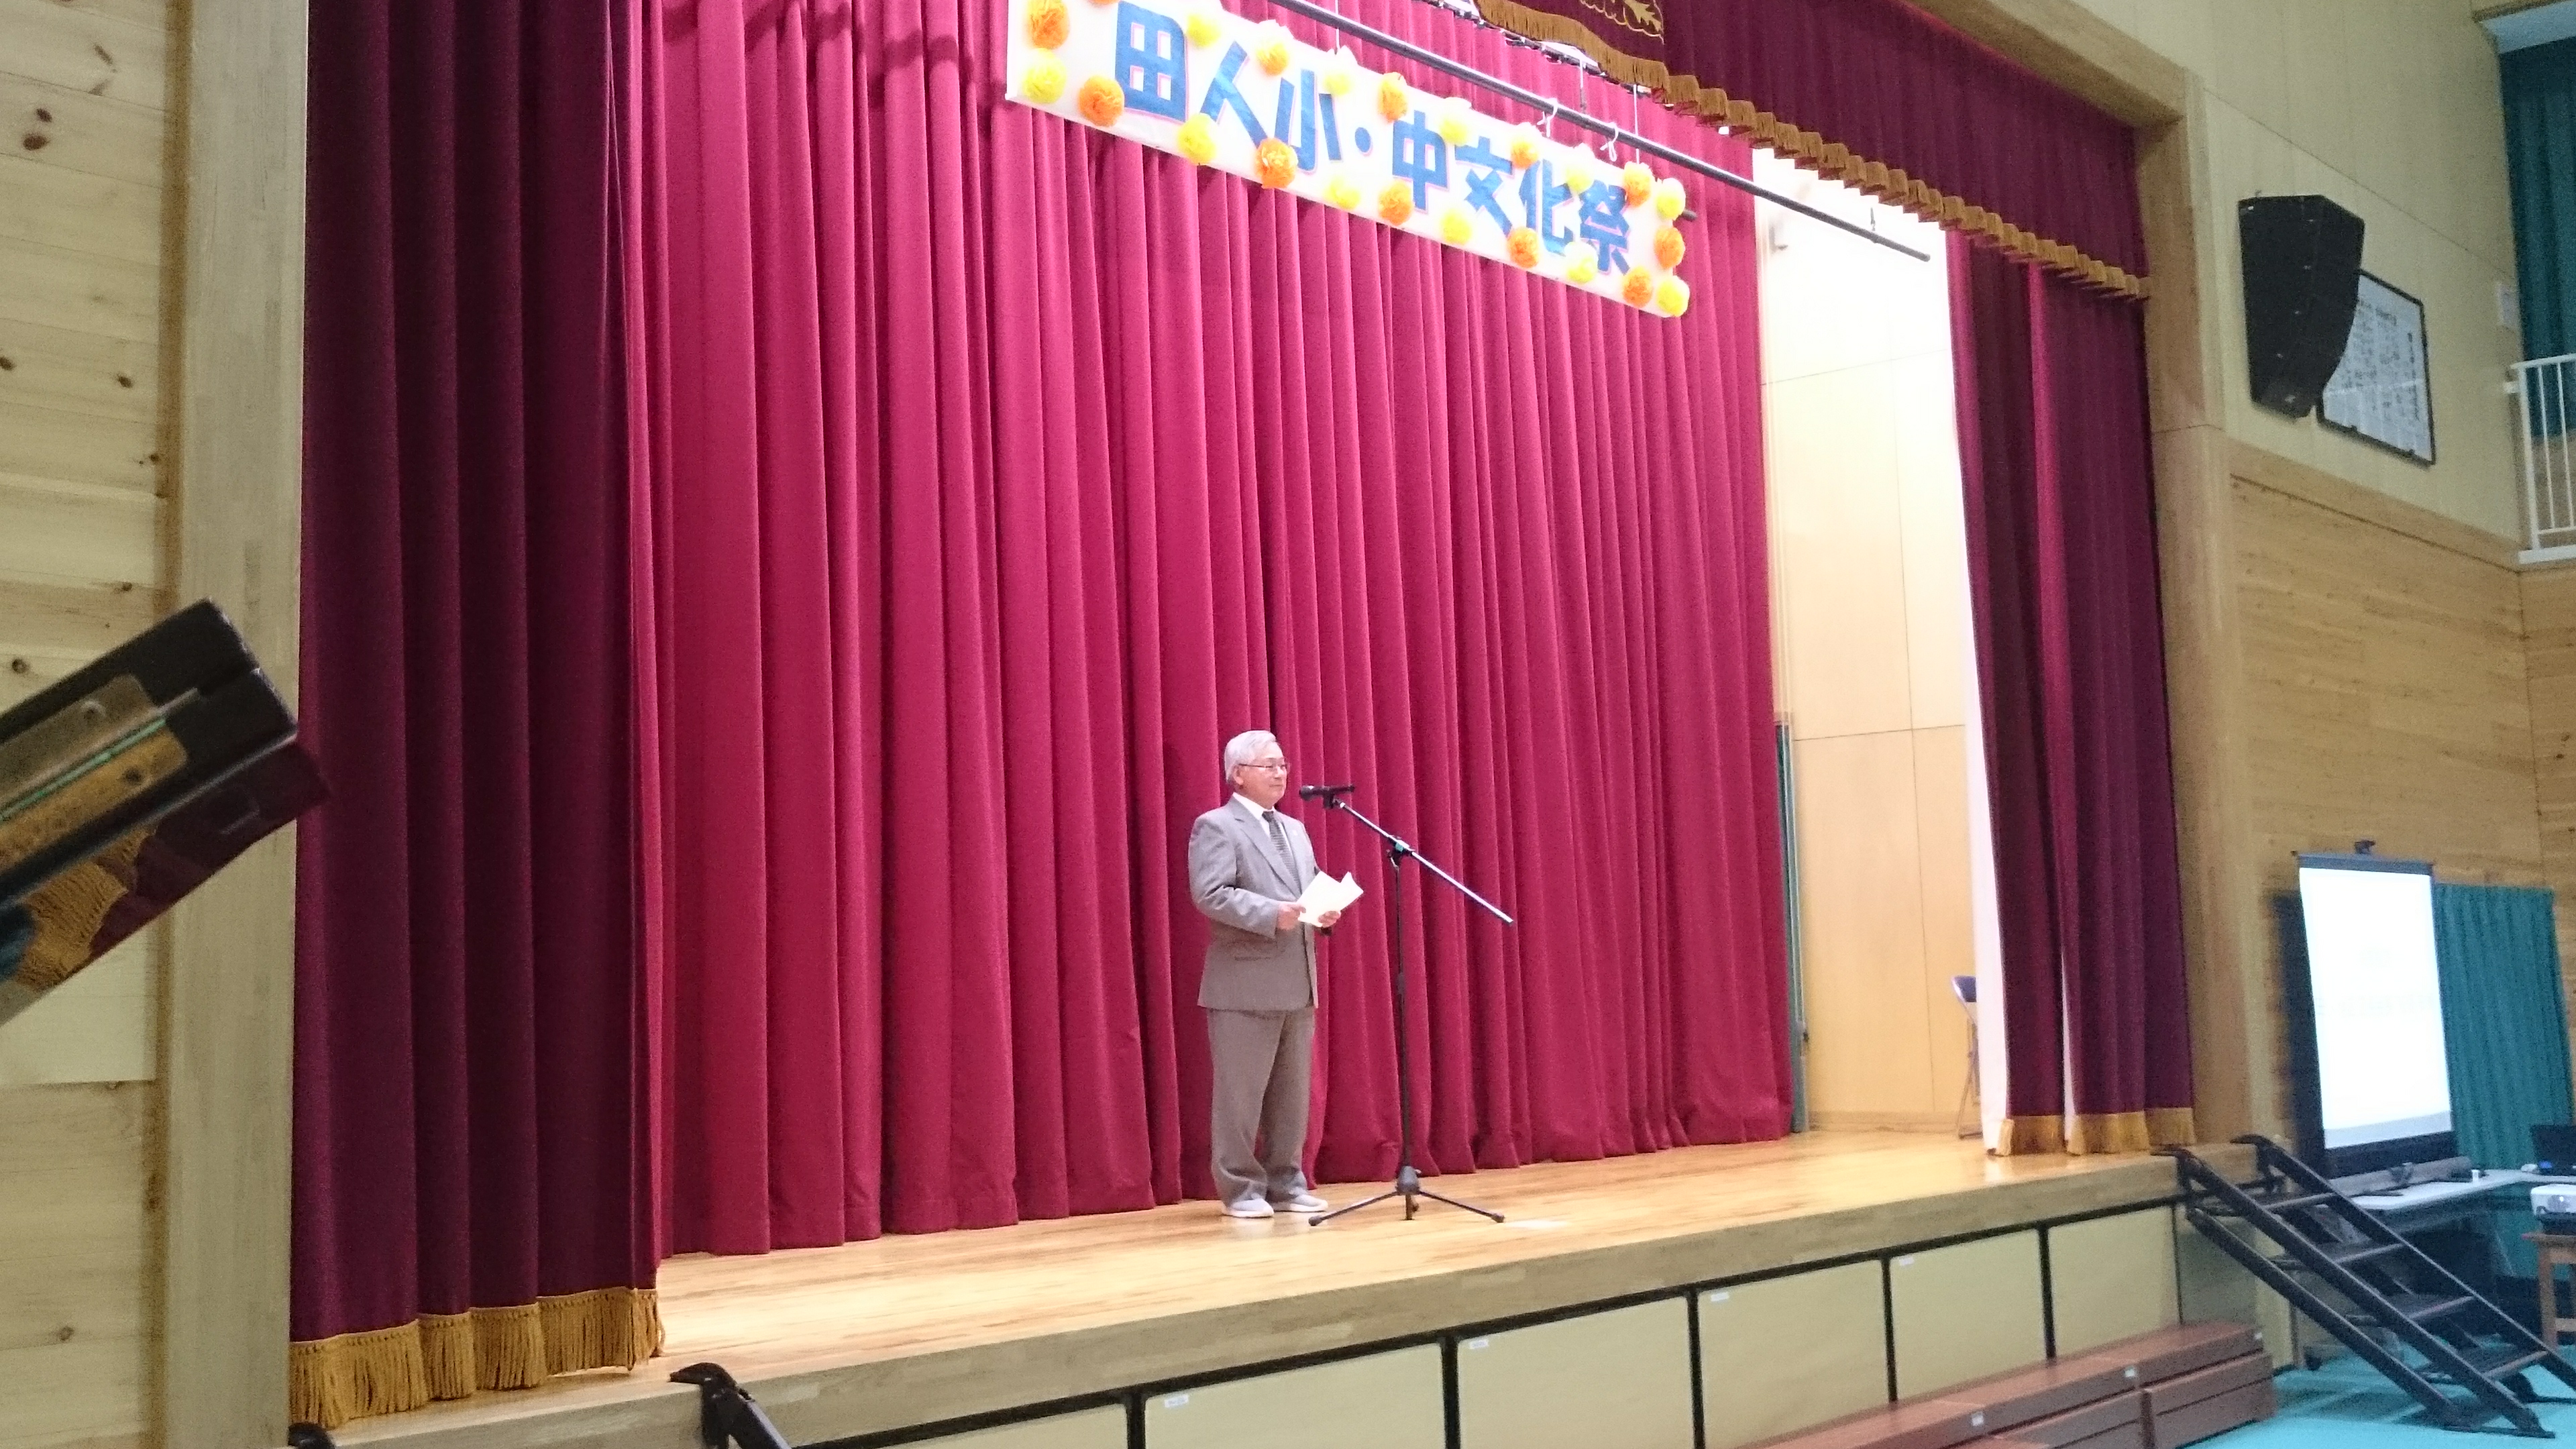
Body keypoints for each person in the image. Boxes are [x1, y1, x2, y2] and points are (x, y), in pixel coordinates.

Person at [1189, 730, 1344, 1220]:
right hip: (1244, 984)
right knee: (1241, 1096)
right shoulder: (1216, 826)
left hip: (1298, 980)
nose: (1280, 774)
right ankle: (1240, 1189)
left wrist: (1323, 911)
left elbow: (1307, 888)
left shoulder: (1294, 829)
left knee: (1291, 1095)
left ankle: (1287, 1182)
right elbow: (1211, 894)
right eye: (1268, 766)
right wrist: (1270, 912)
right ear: (1238, 774)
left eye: (1283, 765)